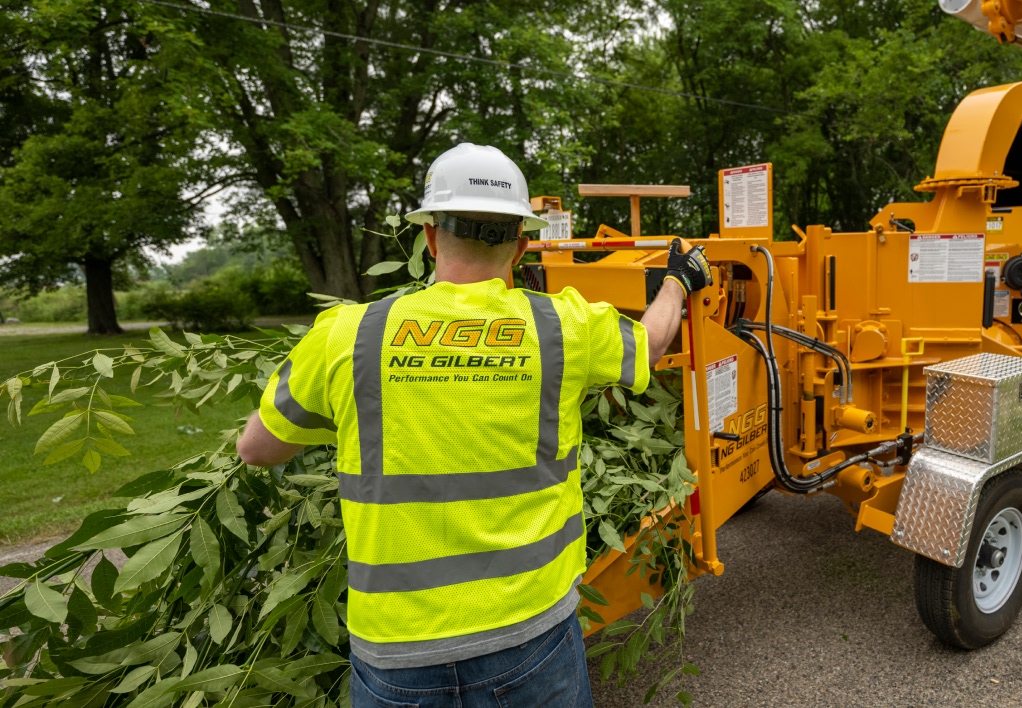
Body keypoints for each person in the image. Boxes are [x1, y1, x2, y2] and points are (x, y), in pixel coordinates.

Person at [236, 143, 712, 707]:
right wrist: (679, 279)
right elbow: (654, 342)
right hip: (530, 636)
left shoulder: (347, 335)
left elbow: (256, 449)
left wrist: (358, 403)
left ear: (431, 236)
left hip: (397, 654)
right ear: (523, 242)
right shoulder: (563, 327)